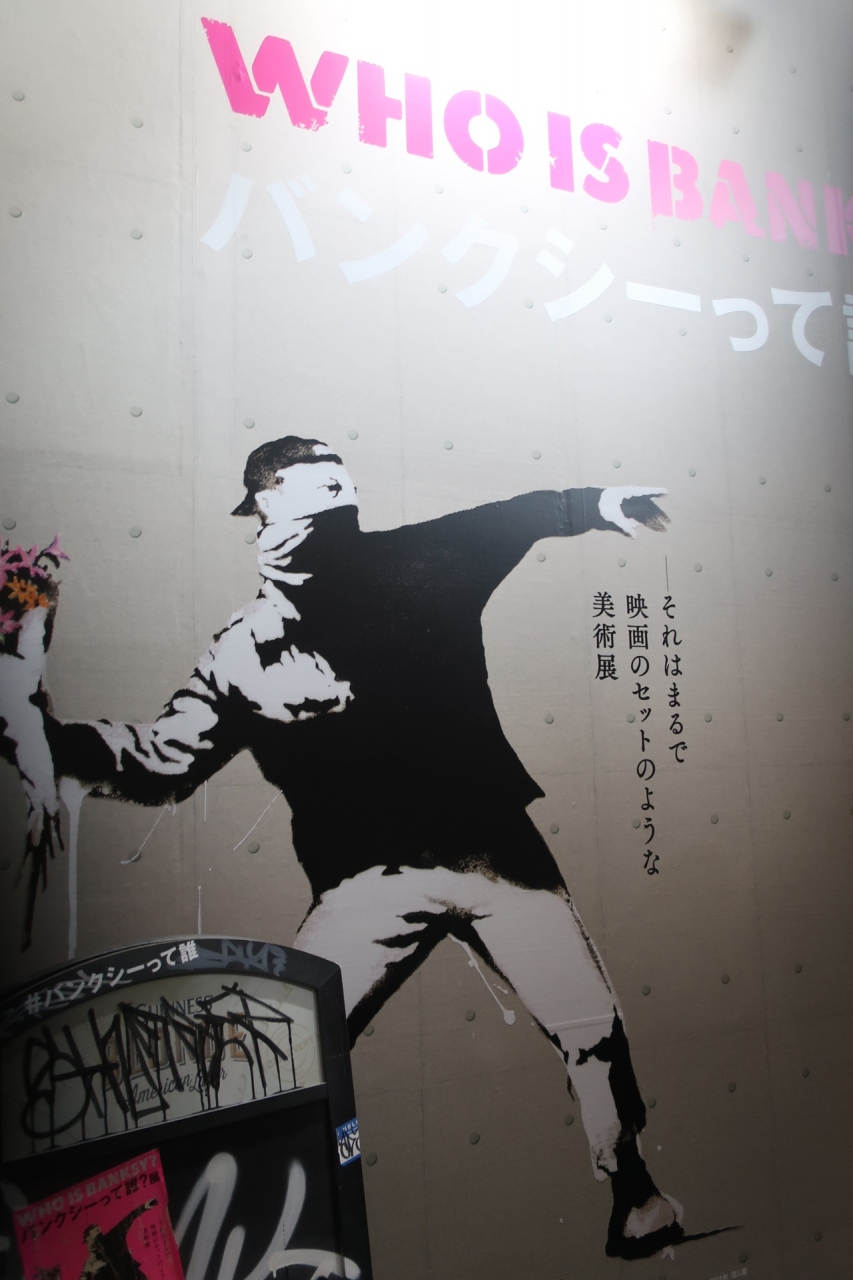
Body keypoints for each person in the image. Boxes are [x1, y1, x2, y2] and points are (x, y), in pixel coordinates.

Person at [3, 437, 682, 1259]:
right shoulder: (247, 643)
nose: (292, 520)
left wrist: (597, 504)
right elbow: (163, 760)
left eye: (318, 492)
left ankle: (632, 1188)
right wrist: (44, 739)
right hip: (376, 881)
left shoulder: (413, 564)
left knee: (587, 1024)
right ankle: (245, 1226)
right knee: (291, 1044)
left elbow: (516, 516)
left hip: (491, 858)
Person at [78, 1200, 158, 1280]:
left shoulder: (113, 1237)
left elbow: (126, 1221)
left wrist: (143, 1207)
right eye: (89, 1241)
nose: (91, 1244)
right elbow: (84, 1276)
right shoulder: (91, 1261)